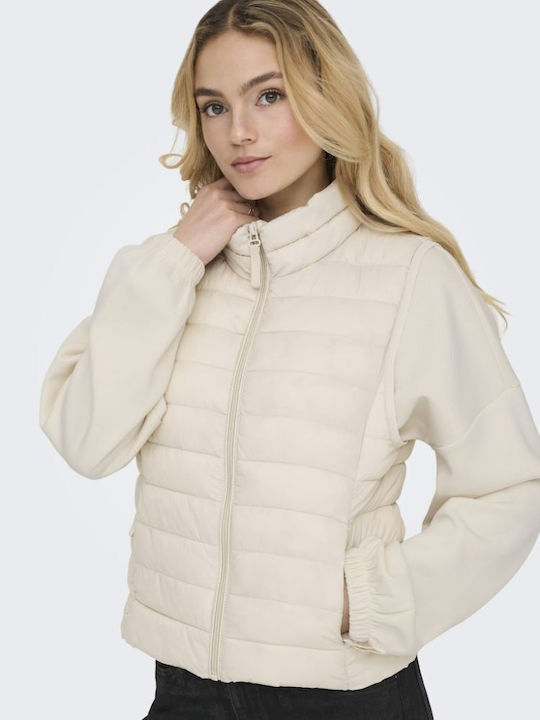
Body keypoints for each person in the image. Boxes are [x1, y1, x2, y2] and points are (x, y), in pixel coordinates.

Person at [39, 0, 540, 718]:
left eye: (268, 96)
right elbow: (87, 442)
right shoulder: (173, 275)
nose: (238, 131)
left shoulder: (408, 277)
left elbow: (510, 485)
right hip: (184, 690)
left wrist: (370, 600)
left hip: (340, 692)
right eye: (214, 107)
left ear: (325, 95)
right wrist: (178, 256)